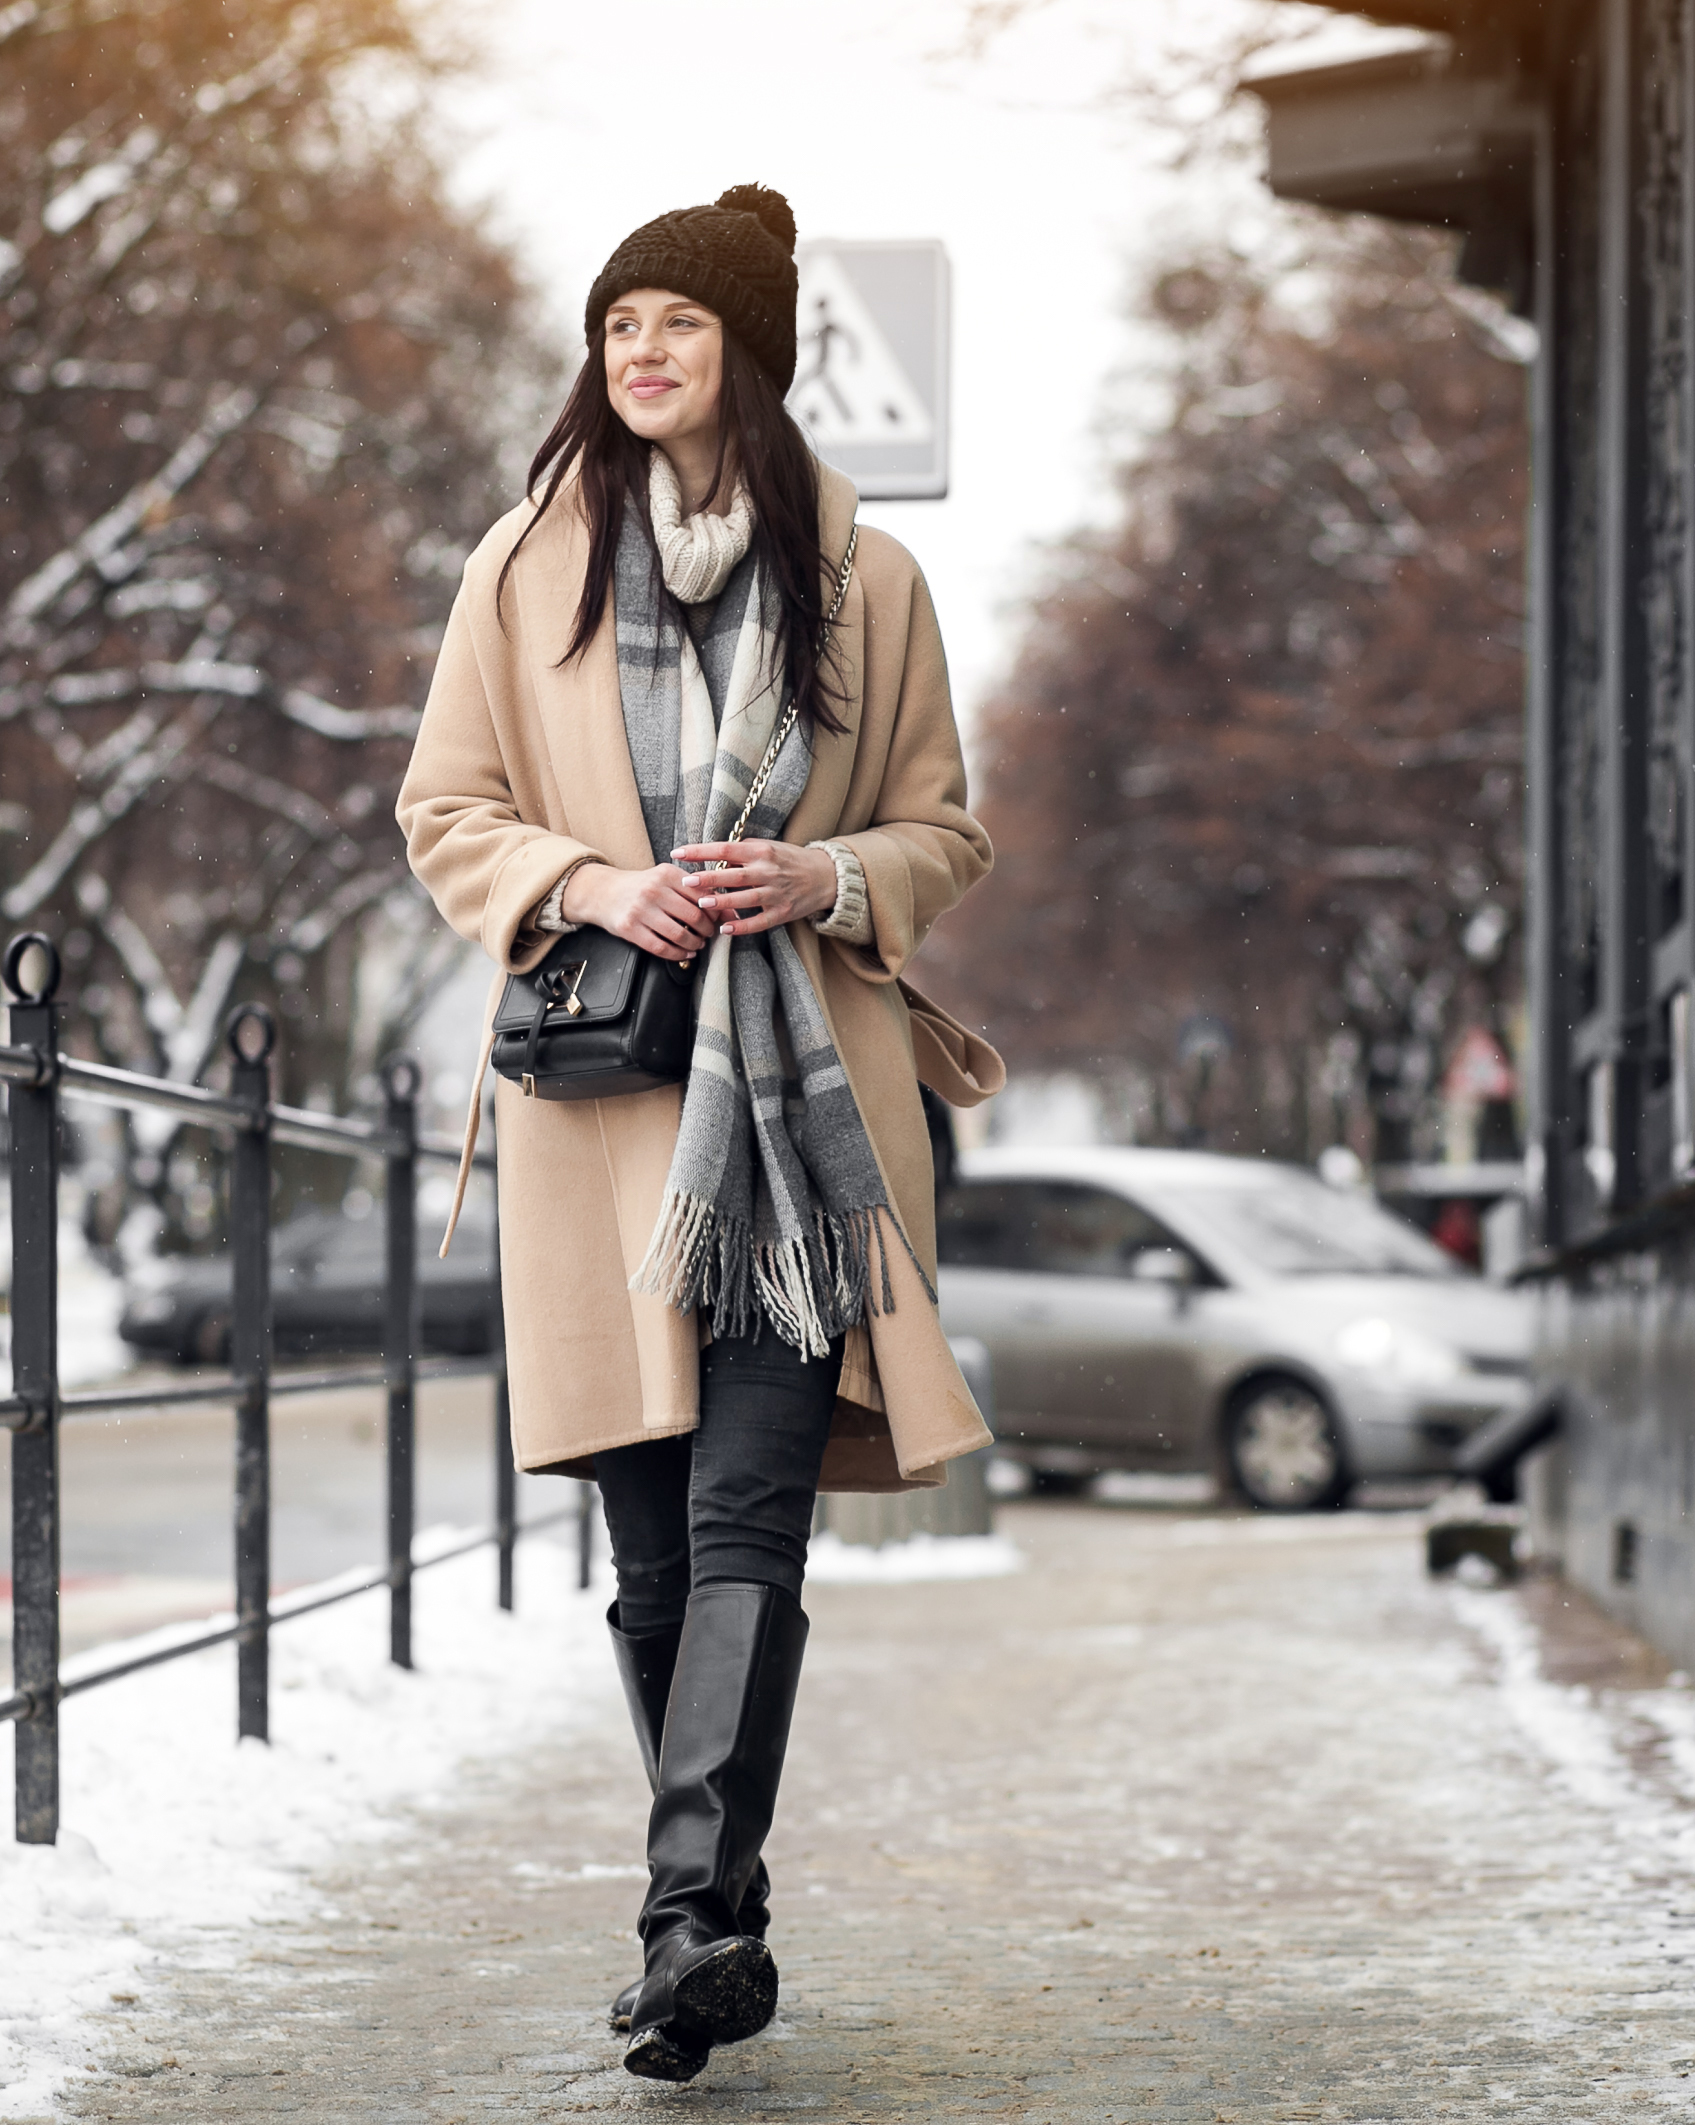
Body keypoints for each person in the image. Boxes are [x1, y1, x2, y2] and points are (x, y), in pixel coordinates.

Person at [397, 183, 1003, 2084]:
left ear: (747, 350)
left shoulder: (864, 578)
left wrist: (819, 870)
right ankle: (714, 1910)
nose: (641, 354)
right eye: (617, 326)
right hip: (607, 1130)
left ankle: (686, 1917)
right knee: (650, 1559)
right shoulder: (524, 564)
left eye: (676, 322)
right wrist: (594, 881)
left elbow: (942, 830)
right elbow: (446, 810)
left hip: (802, 1133)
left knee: (751, 1518)